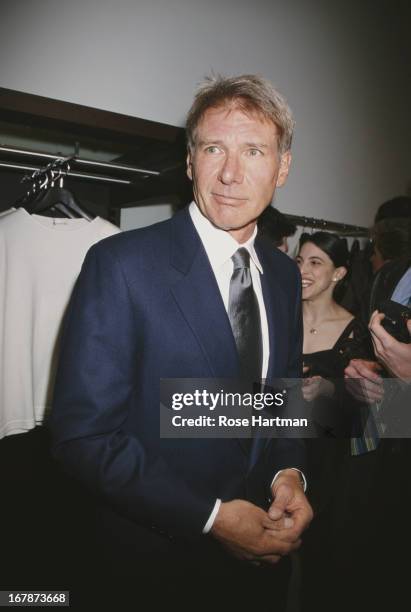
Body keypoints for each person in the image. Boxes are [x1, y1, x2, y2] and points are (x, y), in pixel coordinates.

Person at [50, 74, 313, 611]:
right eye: (213, 148)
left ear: (282, 167)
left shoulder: (284, 277)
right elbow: (82, 437)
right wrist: (212, 516)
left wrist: (291, 474)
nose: (231, 174)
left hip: (261, 571)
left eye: (254, 151)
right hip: (152, 569)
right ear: (191, 161)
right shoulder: (121, 265)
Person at [294, 232, 373, 611]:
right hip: (274, 454)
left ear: (339, 273)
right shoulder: (278, 320)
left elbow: (378, 415)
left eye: (315, 263)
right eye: (299, 261)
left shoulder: (358, 334)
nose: (303, 270)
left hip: (328, 466)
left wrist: (331, 391)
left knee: (319, 565)